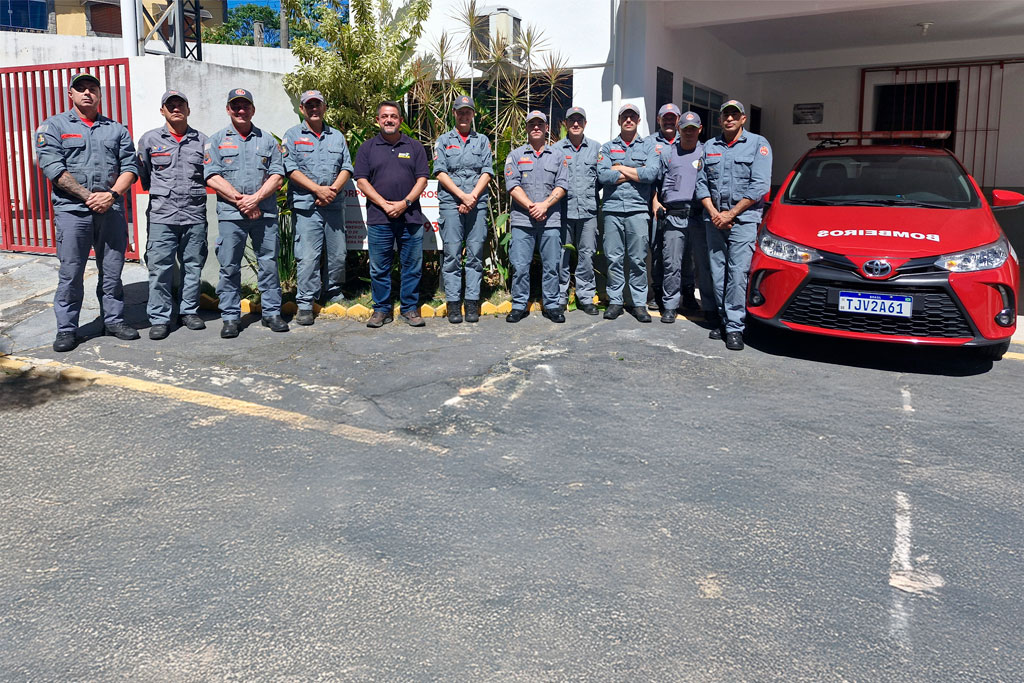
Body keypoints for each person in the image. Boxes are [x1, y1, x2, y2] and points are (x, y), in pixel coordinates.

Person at [35, 72, 140, 352]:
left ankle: (114, 320)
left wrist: (111, 195)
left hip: (111, 209)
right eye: (80, 88)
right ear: (70, 94)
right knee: (71, 272)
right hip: (72, 211)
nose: (87, 93)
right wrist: (89, 197)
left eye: (92, 88)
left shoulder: (116, 130)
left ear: (100, 94)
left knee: (112, 270)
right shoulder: (53, 126)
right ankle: (67, 329)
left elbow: (130, 168)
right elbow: (53, 168)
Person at [204, 87, 288, 338]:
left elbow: (278, 175)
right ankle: (230, 317)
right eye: (236, 106)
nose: (241, 110)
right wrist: (242, 201)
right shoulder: (216, 141)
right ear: (228, 109)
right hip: (232, 216)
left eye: (245, 106)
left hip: (265, 214)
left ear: (253, 109)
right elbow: (212, 176)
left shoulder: (268, 141)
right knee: (229, 266)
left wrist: (256, 199)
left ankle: (271, 313)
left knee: (268, 264)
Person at [695, 99, 772, 351]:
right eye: (725, 115)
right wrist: (715, 213)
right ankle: (723, 319)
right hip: (714, 220)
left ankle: (735, 327)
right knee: (717, 273)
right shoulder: (710, 146)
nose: (729, 119)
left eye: (734, 115)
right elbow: (701, 184)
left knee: (737, 274)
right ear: (719, 119)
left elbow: (760, 185)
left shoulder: (758, 144)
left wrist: (731, 214)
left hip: (743, 220)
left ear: (743, 119)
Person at [136, 89, 209, 340]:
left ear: (188, 110)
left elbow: (209, 175)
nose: (176, 109)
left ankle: (189, 311)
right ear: (162, 111)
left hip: (194, 214)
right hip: (162, 215)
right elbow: (144, 174)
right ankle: (160, 317)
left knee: (193, 265)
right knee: (160, 268)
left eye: (180, 105)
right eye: (170, 105)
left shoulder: (202, 141)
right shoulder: (149, 140)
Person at [354, 101, 429, 328]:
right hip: (379, 218)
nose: (389, 120)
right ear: (377, 120)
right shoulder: (367, 148)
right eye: (385, 116)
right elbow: (361, 181)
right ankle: (381, 309)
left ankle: (409, 308)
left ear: (400, 121)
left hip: (410, 217)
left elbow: (422, 179)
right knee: (379, 268)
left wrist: (404, 203)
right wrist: (384, 204)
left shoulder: (415, 147)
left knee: (412, 266)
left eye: (394, 116)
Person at [282, 89, 354, 326]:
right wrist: (317, 190)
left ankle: (333, 292)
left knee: (337, 253)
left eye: (318, 104)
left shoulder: (337, 136)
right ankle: (305, 302)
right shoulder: (292, 136)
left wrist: (331, 190)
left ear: (324, 108)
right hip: (307, 206)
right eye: (309, 105)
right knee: (308, 255)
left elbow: (346, 167)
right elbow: (290, 168)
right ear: (302, 109)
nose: (314, 109)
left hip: (333, 204)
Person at [433, 94, 494, 324]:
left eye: (468, 112)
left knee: (475, 254)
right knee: (452, 255)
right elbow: (440, 172)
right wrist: (462, 196)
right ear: (454, 114)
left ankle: (471, 302)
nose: (464, 116)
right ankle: (453, 303)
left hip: (476, 203)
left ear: (473, 115)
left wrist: (472, 197)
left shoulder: (483, 141)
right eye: (460, 112)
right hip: (451, 202)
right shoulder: (443, 140)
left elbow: (487, 171)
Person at [503, 110, 568, 324]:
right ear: (527, 128)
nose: (536, 127)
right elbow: (512, 185)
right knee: (520, 266)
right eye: (532, 124)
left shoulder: (558, 156)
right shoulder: (515, 156)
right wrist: (533, 206)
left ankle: (551, 305)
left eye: (540, 124)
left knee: (551, 266)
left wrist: (545, 205)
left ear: (547, 128)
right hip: (523, 220)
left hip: (550, 220)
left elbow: (562, 185)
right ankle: (519, 305)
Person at [597, 102, 660, 322]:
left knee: (638, 259)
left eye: (633, 116)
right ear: (619, 120)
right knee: (613, 258)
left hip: (638, 210)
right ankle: (615, 302)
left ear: (638, 120)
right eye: (625, 116)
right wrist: (636, 173)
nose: (629, 120)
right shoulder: (607, 148)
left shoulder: (649, 148)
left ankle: (638, 304)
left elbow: (651, 174)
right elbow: (603, 176)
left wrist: (620, 168)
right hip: (612, 210)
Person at [651, 109, 706, 323]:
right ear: (679, 129)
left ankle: (699, 302)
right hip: (674, 215)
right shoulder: (668, 153)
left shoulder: (706, 152)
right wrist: (656, 202)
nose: (689, 132)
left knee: (697, 263)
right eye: (685, 129)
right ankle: (670, 305)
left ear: (699, 129)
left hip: (699, 216)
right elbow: (656, 182)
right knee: (671, 263)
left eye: (693, 129)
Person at [554, 105, 600, 315]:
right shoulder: (556, 150)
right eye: (571, 120)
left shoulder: (596, 148)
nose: (575, 124)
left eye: (579, 120)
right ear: (565, 124)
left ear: (585, 124)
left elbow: (601, 179)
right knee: (561, 255)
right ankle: (560, 297)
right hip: (563, 211)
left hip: (588, 212)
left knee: (587, 256)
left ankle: (586, 297)